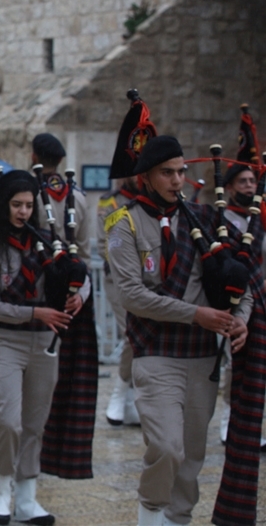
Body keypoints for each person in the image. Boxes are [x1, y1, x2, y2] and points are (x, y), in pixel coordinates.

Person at [105, 136, 251, 525]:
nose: (177, 180)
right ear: (147, 177)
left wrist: (242, 319)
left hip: (203, 356)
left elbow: (243, 276)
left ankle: (179, 519)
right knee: (167, 448)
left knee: (191, 456)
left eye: (181, 171)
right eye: (167, 173)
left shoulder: (204, 218)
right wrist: (195, 314)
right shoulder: (124, 223)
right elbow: (132, 296)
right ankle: (150, 514)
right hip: (156, 354)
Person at [0, 169, 80, 526]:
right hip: (5, 338)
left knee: (35, 423)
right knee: (7, 420)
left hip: (44, 340)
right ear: (3, 206)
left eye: (28, 205)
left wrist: (79, 294)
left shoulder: (48, 240)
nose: (23, 212)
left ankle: (27, 498)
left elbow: (76, 276)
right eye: (16, 205)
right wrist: (37, 311)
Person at [216, 163, 265, 447]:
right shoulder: (224, 219)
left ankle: (256, 423)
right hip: (236, 299)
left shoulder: (264, 217)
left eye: (252, 181)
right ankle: (229, 418)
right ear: (231, 187)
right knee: (234, 364)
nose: (249, 185)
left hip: (265, 294)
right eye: (243, 181)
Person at [98, 176, 141, 427]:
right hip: (119, 277)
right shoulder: (110, 202)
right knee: (131, 334)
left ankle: (132, 398)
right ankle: (121, 390)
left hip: (149, 278)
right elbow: (106, 238)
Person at [30, 134, 91, 263]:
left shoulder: (28, 195)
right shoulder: (79, 196)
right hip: (72, 273)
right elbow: (84, 249)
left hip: (38, 271)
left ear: (34, 157)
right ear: (60, 160)